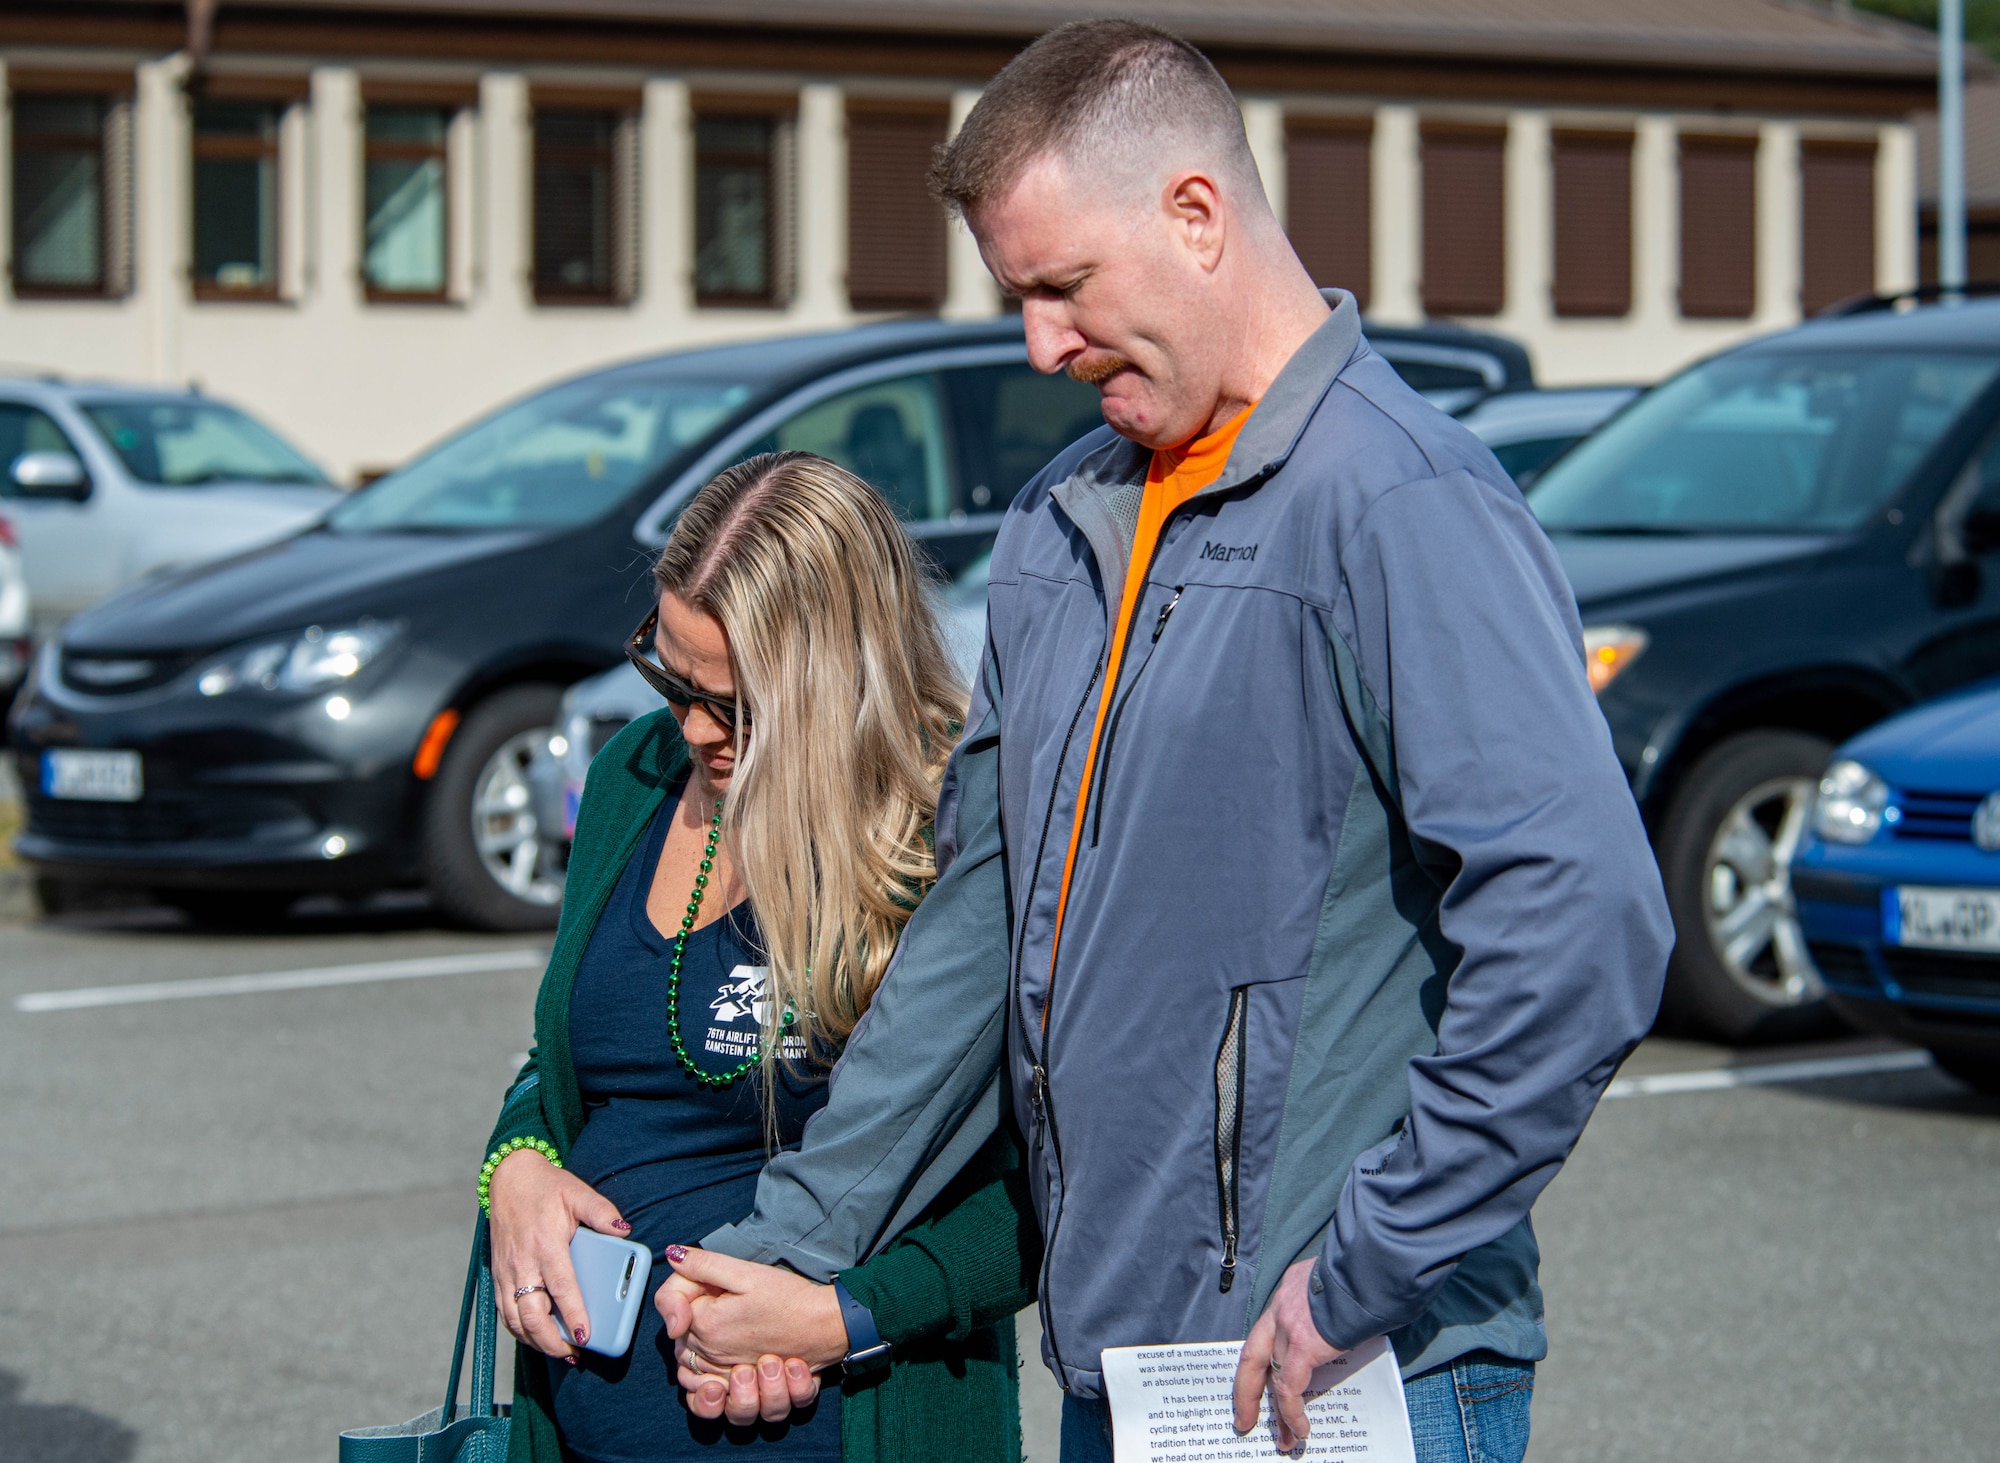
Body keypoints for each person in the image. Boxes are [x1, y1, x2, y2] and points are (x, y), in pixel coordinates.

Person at [662, 19, 1674, 1463]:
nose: (1040, 343)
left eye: (1064, 286)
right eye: (1019, 297)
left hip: (1342, 1382)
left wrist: (1365, 1270)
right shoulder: (1057, 524)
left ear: (1196, 214)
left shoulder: (1399, 503)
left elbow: (1583, 924)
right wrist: (791, 1243)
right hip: (1123, 1389)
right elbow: (976, 928)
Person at [479, 450, 1039, 1463]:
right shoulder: (634, 776)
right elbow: (561, 1065)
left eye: (736, 706)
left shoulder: (950, 831)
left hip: (847, 1429)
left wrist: (840, 1316)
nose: (693, 727)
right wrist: (514, 1169)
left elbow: (1044, 1194)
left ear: (841, 676)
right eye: (671, 676)